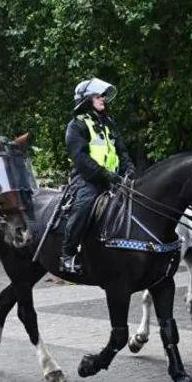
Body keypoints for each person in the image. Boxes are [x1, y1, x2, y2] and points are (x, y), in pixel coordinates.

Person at [60, 77, 136, 274]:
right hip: (88, 180)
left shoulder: (109, 123)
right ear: (86, 99)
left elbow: (122, 151)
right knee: (84, 205)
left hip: (115, 180)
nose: (103, 98)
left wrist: (129, 170)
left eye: (103, 95)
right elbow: (81, 159)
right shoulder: (76, 126)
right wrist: (106, 176)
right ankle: (67, 255)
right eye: (98, 95)